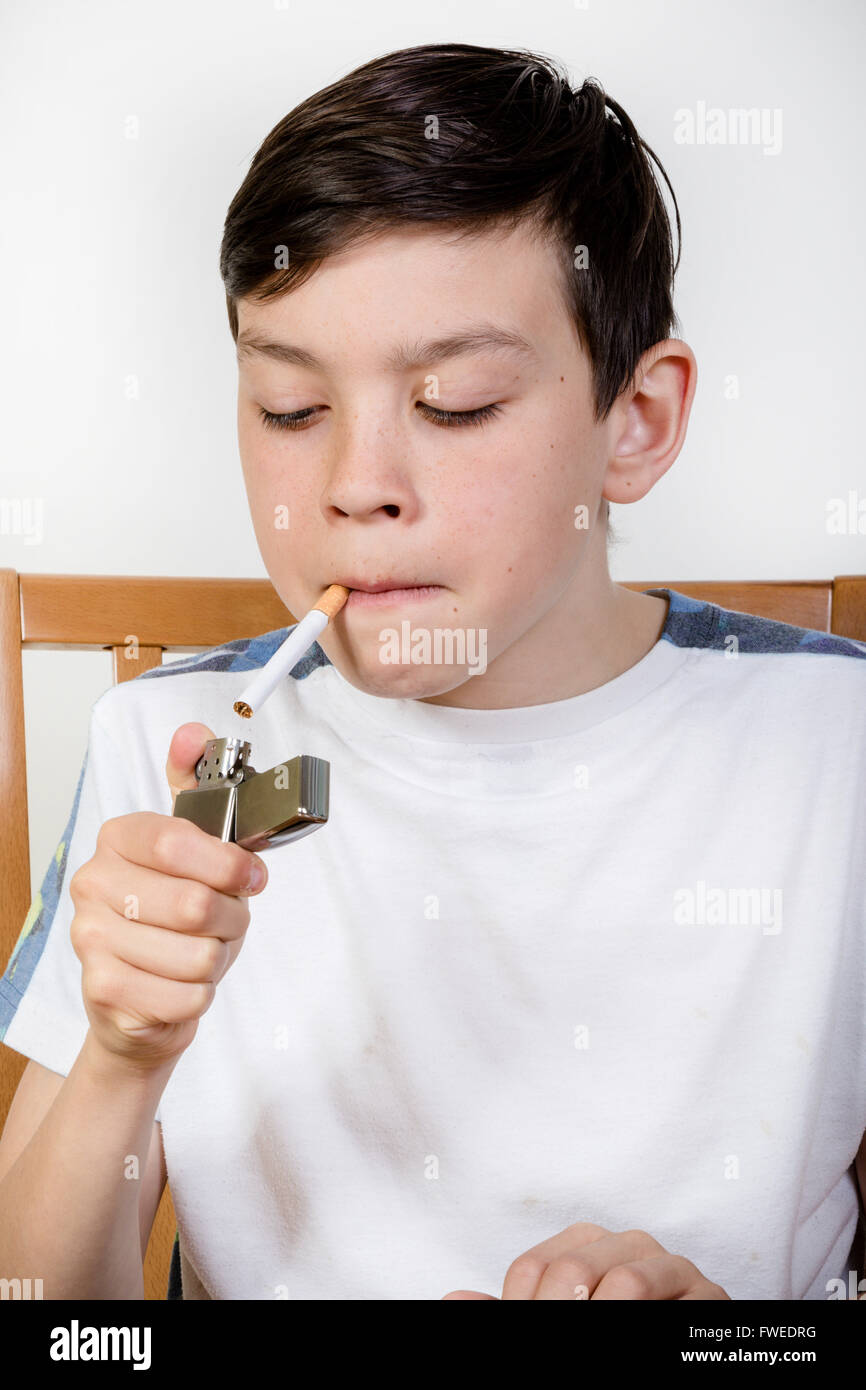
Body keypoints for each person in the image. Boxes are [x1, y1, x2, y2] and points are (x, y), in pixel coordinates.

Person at [1, 42, 865, 1302]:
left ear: (634, 421)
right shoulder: (177, 746)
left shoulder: (829, 747)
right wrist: (125, 1058)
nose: (354, 486)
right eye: (291, 410)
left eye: (454, 404)